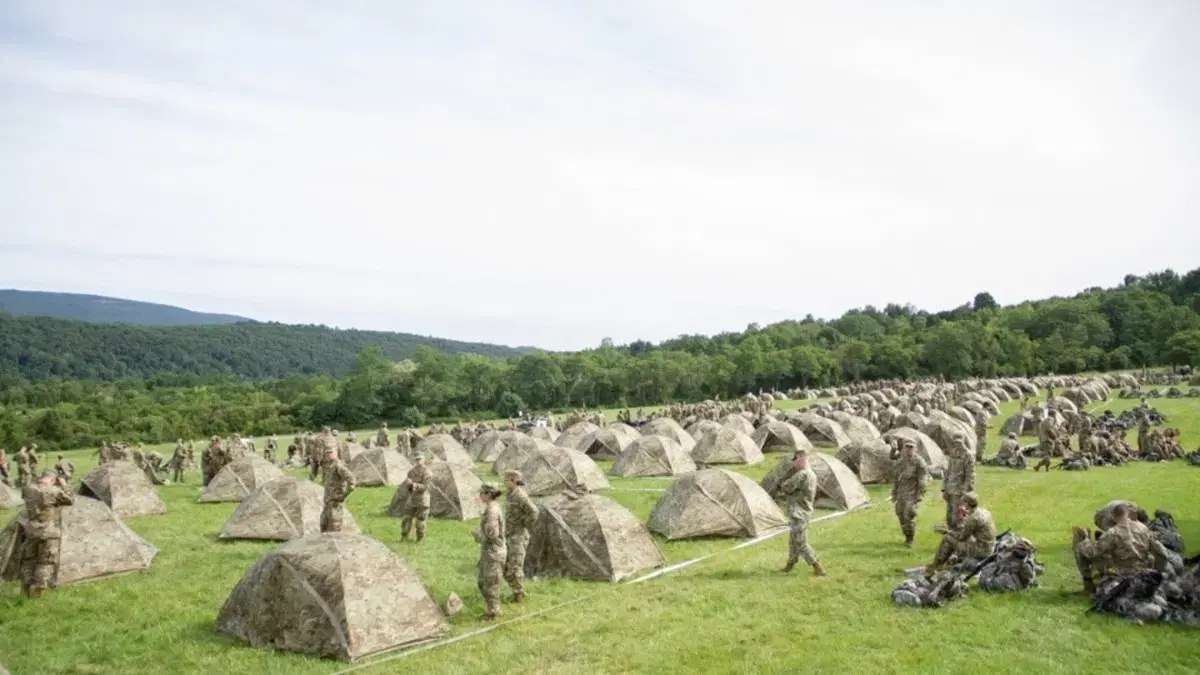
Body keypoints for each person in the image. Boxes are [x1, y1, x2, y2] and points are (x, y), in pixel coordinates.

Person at [1073, 502, 1173, 595]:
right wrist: (1158, 572)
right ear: (1128, 514)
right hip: (1143, 573)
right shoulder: (1143, 528)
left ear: (1113, 516)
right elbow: (1162, 552)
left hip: (1121, 575)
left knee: (1081, 547)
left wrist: (1084, 540)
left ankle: (1088, 586)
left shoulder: (1113, 532)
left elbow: (1091, 552)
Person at [19, 469, 75, 598]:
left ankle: (26, 588)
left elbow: (34, 492)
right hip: (48, 531)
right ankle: (39, 591)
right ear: (53, 479)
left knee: (29, 560)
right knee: (46, 561)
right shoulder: (53, 491)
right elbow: (70, 500)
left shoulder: (27, 489)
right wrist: (64, 484)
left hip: (31, 530)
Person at [778, 450, 827, 576]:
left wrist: (784, 484)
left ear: (800, 458)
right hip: (803, 511)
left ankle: (818, 567)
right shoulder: (811, 474)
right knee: (793, 541)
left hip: (798, 512)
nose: (794, 463)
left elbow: (786, 487)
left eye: (795, 459)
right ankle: (790, 565)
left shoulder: (802, 474)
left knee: (800, 542)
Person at [926, 493, 996, 574]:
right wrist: (966, 513)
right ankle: (947, 561)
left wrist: (947, 531)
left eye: (963, 502)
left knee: (947, 538)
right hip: (989, 546)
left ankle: (936, 566)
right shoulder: (983, 512)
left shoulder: (973, 519)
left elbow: (961, 537)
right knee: (962, 538)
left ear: (966, 504)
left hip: (981, 551)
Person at [502, 469, 539, 603]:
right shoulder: (510, 494)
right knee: (506, 566)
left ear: (513, 481)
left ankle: (519, 595)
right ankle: (516, 591)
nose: (504, 482)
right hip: (509, 534)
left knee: (515, 567)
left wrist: (525, 523)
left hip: (518, 536)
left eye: (506, 480)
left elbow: (534, 511)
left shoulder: (520, 495)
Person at [472, 484, 507, 620]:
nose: (479, 495)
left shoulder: (492, 511)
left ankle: (494, 613)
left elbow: (492, 534)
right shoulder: (491, 508)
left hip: (494, 552)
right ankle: (491, 609)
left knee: (491, 584)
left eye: (481, 493)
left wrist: (477, 535)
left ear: (488, 494)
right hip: (489, 551)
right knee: (483, 582)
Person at [891, 440, 929, 547]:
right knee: (900, 514)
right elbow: (895, 478)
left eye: (911, 447)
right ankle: (906, 534)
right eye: (907, 447)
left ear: (915, 448)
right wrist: (894, 493)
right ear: (904, 448)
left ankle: (910, 539)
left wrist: (921, 494)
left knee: (909, 514)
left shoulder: (919, 462)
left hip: (912, 494)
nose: (909, 449)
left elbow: (922, 479)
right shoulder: (901, 460)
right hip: (901, 493)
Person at [320, 446, 356, 533]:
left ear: (335, 453)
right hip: (327, 502)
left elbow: (352, 481)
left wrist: (343, 495)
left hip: (335, 503)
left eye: (331, 452)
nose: (329, 455)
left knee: (335, 528)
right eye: (327, 453)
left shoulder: (339, 466)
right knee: (323, 525)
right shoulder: (328, 466)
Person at [942, 436, 975, 528]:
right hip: (950, 487)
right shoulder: (953, 452)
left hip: (960, 488)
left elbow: (970, 474)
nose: (957, 444)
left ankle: (958, 531)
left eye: (959, 442)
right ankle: (951, 531)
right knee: (949, 512)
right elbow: (948, 471)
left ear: (963, 442)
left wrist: (965, 490)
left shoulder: (968, 455)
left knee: (957, 513)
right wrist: (944, 488)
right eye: (955, 442)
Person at [400, 453, 432, 542]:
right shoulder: (411, 472)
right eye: (416, 459)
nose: (418, 461)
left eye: (420, 459)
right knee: (406, 518)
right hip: (412, 499)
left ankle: (419, 539)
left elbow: (426, 487)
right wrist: (407, 485)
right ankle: (404, 536)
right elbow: (408, 486)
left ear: (424, 460)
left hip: (423, 500)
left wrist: (413, 484)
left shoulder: (427, 472)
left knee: (420, 521)